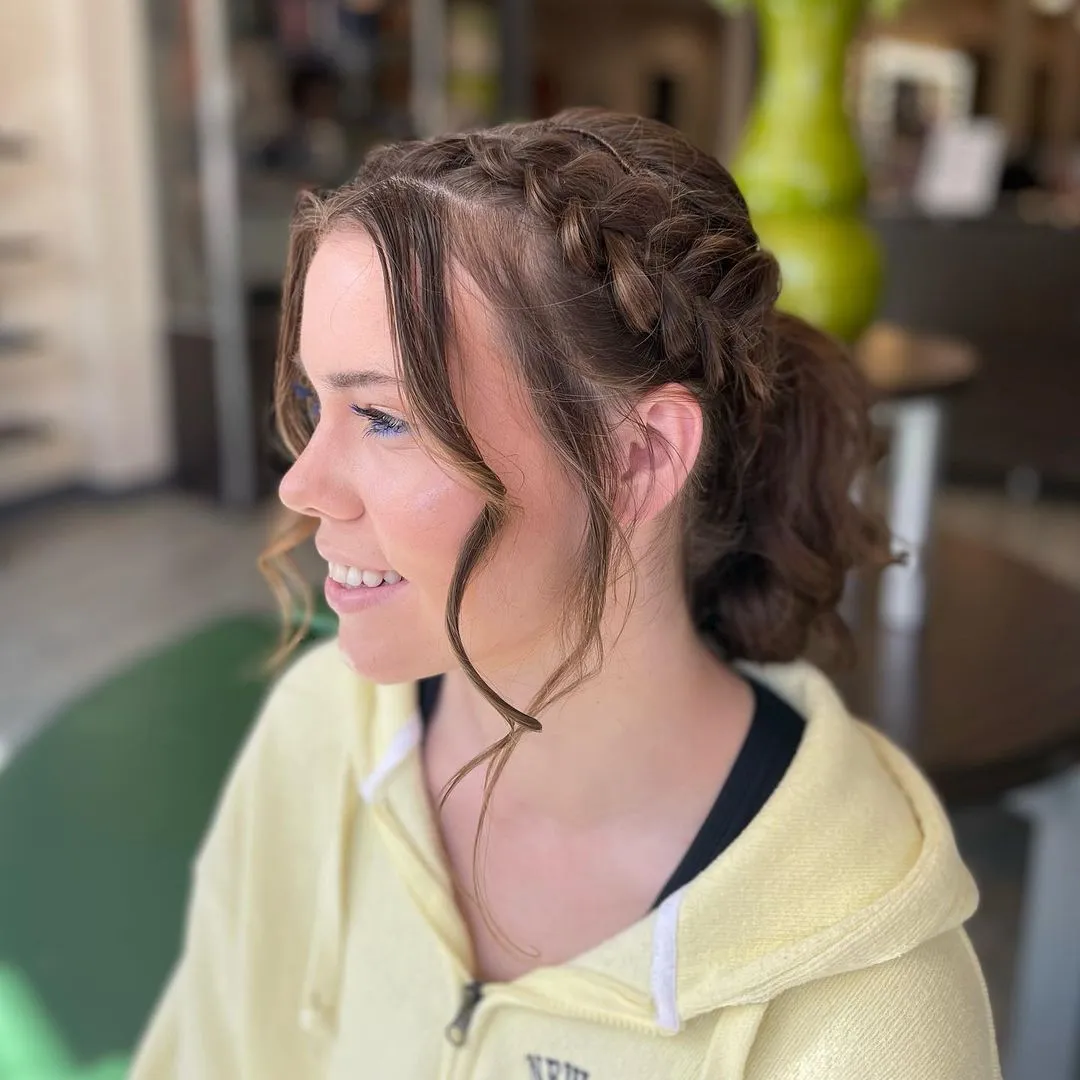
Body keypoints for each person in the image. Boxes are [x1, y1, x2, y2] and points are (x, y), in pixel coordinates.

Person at [132, 109, 1000, 1078]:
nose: (301, 485)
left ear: (638, 458)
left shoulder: (874, 1004)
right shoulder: (317, 731)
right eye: (311, 401)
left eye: (382, 417)